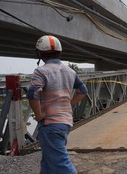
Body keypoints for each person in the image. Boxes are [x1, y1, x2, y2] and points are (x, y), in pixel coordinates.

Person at [27, 35, 88, 174]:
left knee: (62, 164)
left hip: (50, 123)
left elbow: (32, 94)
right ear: (60, 52)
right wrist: (69, 105)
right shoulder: (70, 71)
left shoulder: (41, 71)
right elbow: (83, 91)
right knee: (48, 162)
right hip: (65, 122)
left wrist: (39, 114)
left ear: (39, 54)